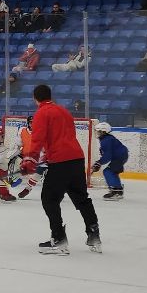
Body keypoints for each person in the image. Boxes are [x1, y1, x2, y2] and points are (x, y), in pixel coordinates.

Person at [28, 84, 100, 254]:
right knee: (82, 199)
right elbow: (63, 136)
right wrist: (48, 155)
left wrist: (30, 158)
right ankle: (94, 236)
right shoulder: (64, 111)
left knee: (49, 199)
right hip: (76, 158)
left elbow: (38, 138)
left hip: (60, 161)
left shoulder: (41, 113)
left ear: (35, 98)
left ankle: (59, 239)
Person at [92, 121, 128, 200]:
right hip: (121, 156)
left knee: (108, 171)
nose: (97, 133)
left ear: (104, 132)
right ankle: (118, 190)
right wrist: (100, 162)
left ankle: (116, 191)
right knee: (112, 171)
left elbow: (108, 155)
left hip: (119, 157)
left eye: (99, 131)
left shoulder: (106, 140)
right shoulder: (107, 138)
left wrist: (99, 162)